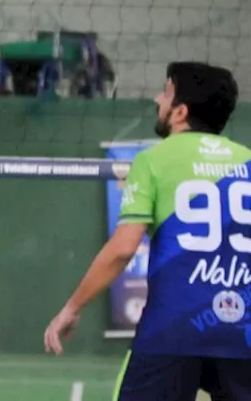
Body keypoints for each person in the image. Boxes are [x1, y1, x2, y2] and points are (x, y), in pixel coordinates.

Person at [45, 62, 250, 401]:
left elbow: (124, 248)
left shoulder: (153, 161)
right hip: (241, 332)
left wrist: (72, 307)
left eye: (166, 93)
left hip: (173, 331)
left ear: (180, 111)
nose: (158, 99)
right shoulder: (248, 162)